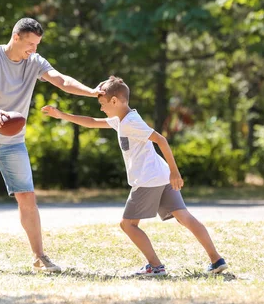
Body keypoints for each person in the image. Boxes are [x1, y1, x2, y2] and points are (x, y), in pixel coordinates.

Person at [0, 18, 103, 272]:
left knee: (27, 198)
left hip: (13, 143)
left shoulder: (35, 62)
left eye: (37, 44)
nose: (33, 49)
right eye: (30, 43)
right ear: (16, 36)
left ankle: (39, 257)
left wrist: (91, 92)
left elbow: (61, 81)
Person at [41, 76, 228, 276]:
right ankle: (216, 260)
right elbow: (92, 122)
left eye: (102, 104)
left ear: (114, 101)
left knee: (128, 225)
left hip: (148, 179)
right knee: (184, 217)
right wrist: (62, 115)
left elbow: (161, 140)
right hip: (160, 175)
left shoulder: (130, 122)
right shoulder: (122, 119)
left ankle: (156, 267)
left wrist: (176, 172)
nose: (101, 108)